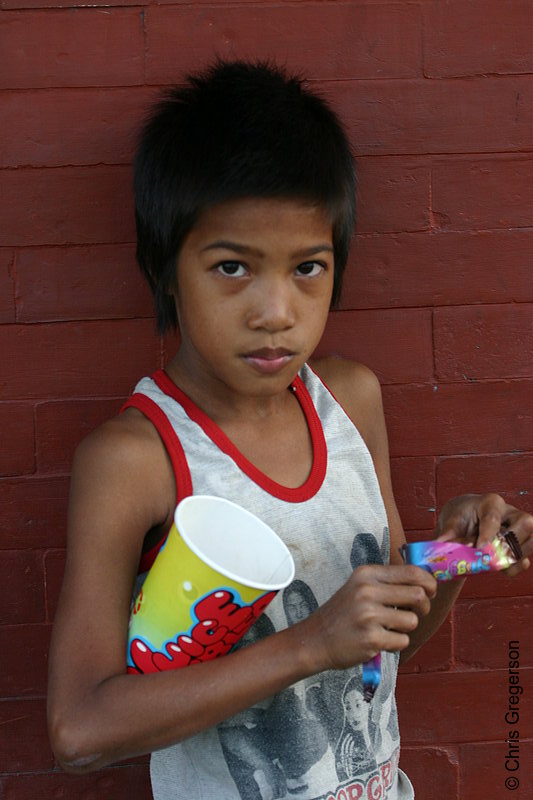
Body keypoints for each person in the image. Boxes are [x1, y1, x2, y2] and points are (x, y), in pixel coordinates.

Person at [47, 60, 532, 800]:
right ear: (166, 270)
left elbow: (384, 639)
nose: (275, 311)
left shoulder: (349, 400)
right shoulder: (139, 459)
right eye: (233, 267)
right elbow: (79, 732)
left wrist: (448, 560)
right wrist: (309, 644)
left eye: (307, 267)